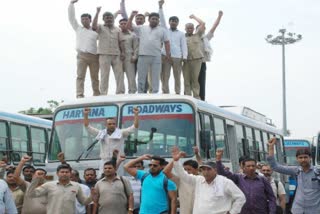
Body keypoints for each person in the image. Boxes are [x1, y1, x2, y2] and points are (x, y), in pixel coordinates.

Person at [171, 147, 246, 214]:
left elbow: (240, 197)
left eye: (209, 169)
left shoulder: (225, 182)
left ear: (215, 170)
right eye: (203, 169)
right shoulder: (198, 180)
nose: (206, 172)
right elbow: (183, 175)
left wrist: (232, 212)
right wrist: (176, 161)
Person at [267, 138, 320, 214]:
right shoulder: (296, 170)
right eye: (300, 158)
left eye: (305, 157)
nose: (303, 160)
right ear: (297, 159)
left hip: (315, 210)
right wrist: (271, 147)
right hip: (297, 210)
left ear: (310, 158)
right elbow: (275, 166)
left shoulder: (317, 171)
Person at [216, 149, 276, 214]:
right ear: (243, 167)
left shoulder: (263, 180)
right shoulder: (238, 178)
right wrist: (218, 159)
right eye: (248, 166)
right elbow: (222, 173)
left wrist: (272, 212)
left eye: (253, 166)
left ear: (256, 167)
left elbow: (271, 198)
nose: (251, 168)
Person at [83, 107, 139, 176]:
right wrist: (86, 115)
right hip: (104, 161)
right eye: (109, 124)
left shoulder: (121, 133)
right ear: (105, 125)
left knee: (117, 179)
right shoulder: (101, 133)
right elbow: (87, 127)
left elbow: (134, 127)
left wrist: (136, 114)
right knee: (103, 179)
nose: (112, 125)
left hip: (118, 161)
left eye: (113, 124)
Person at [127, 11, 171, 94]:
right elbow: (128, 27)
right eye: (153, 19)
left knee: (155, 77)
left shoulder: (162, 30)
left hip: (156, 56)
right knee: (141, 77)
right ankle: (140, 93)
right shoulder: (141, 28)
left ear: (158, 21)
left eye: (156, 19)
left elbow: (167, 42)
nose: (154, 20)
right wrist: (131, 16)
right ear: (149, 20)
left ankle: (155, 93)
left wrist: (168, 54)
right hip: (143, 56)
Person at [28, 164, 96, 214]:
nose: (64, 174)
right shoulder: (49, 185)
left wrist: (91, 196)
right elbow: (31, 194)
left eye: (67, 172)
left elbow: (84, 202)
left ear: (70, 174)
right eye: (62, 172)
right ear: (57, 173)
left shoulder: (76, 186)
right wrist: (35, 179)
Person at [68, 0, 100, 98]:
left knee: (95, 77)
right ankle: (79, 94)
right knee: (80, 76)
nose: (84, 21)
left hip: (94, 56)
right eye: (82, 19)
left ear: (90, 20)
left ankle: (97, 94)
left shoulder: (96, 31)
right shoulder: (78, 28)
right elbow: (71, 18)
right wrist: (71, 4)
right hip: (82, 56)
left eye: (86, 19)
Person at [93, 7, 125, 95]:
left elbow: (121, 41)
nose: (109, 19)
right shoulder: (100, 27)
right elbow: (93, 26)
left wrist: (123, 52)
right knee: (104, 75)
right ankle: (103, 94)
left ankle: (120, 92)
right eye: (107, 18)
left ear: (113, 19)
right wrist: (97, 12)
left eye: (110, 17)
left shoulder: (118, 29)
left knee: (119, 75)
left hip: (116, 54)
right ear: (103, 19)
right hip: (104, 54)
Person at [158, 0, 187, 95]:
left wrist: (185, 57)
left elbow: (184, 46)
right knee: (165, 76)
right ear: (169, 22)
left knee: (177, 76)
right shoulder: (165, 30)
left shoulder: (181, 34)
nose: (173, 23)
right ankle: (165, 92)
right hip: (165, 56)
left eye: (175, 21)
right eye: (172, 21)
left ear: (177, 23)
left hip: (177, 57)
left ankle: (177, 93)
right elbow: (161, 19)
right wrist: (160, 7)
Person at [198, 11, 223, 101]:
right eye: (200, 28)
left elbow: (214, 26)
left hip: (202, 63)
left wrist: (219, 16)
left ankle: (201, 99)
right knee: (192, 82)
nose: (202, 30)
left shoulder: (206, 38)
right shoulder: (192, 38)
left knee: (201, 82)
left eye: (203, 29)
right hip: (193, 63)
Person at [183, 15, 205, 99]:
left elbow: (202, 23)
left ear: (193, 29)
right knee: (186, 79)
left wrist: (194, 17)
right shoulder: (182, 37)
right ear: (185, 29)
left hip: (196, 59)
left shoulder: (197, 35)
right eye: (188, 28)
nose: (189, 29)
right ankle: (188, 96)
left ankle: (196, 96)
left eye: (191, 28)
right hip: (186, 60)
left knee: (195, 79)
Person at [119, 18, 139, 93]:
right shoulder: (117, 34)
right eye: (122, 24)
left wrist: (135, 57)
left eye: (125, 23)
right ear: (119, 25)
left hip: (129, 58)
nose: (123, 25)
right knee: (119, 77)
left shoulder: (133, 35)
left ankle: (132, 92)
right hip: (118, 58)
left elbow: (136, 47)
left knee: (131, 76)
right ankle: (120, 92)